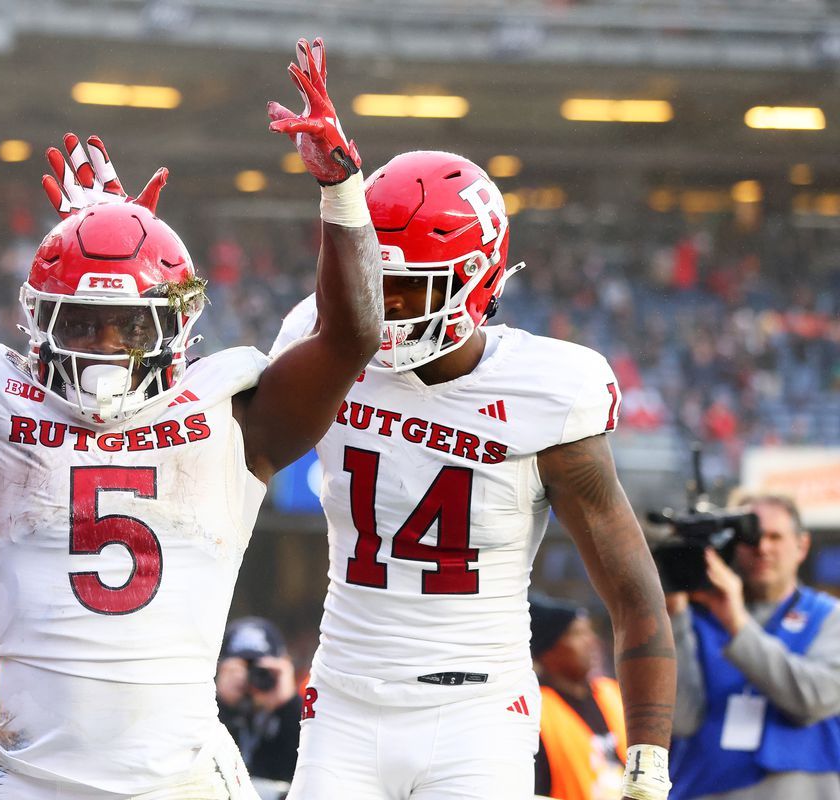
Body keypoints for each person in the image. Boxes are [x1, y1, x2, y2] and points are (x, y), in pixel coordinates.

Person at [0, 26, 380, 800]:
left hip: (180, 783)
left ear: (174, 329)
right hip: (33, 780)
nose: (104, 345)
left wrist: (341, 188)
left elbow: (354, 336)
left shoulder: (229, 415)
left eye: (129, 325)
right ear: (40, 320)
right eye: (83, 320)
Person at [270, 150, 675, 800]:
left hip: (476, 715)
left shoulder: (544, 390)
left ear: (477, 279)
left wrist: (648, 764)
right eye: (375, 279)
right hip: (343, 698)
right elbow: (227, 451)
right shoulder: (317, 341)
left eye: (410, 286)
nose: (387, 305)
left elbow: (633, 593)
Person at [667, 492, 840, 800]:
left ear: (802, 545)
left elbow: (812, 700)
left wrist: (738, 624)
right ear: (733, 545)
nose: (763, 548)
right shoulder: (694, 615)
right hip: (705, 787)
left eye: (775, 537)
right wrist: (674, 614)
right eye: (752, 538)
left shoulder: (829, 616)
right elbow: (680, 719)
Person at [531, 594, 627, 800]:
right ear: (548, 649)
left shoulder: (613, 692)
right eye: (577, 634)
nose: (592, 641)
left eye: (589, 631)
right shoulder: (534, 710)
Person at [216, 617, 303, 786]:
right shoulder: (206, 717)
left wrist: (288, 705)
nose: (249, 680)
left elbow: (308, 765)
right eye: (239, 669)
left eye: (261, 670)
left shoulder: (290, 718)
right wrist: (222, 704)